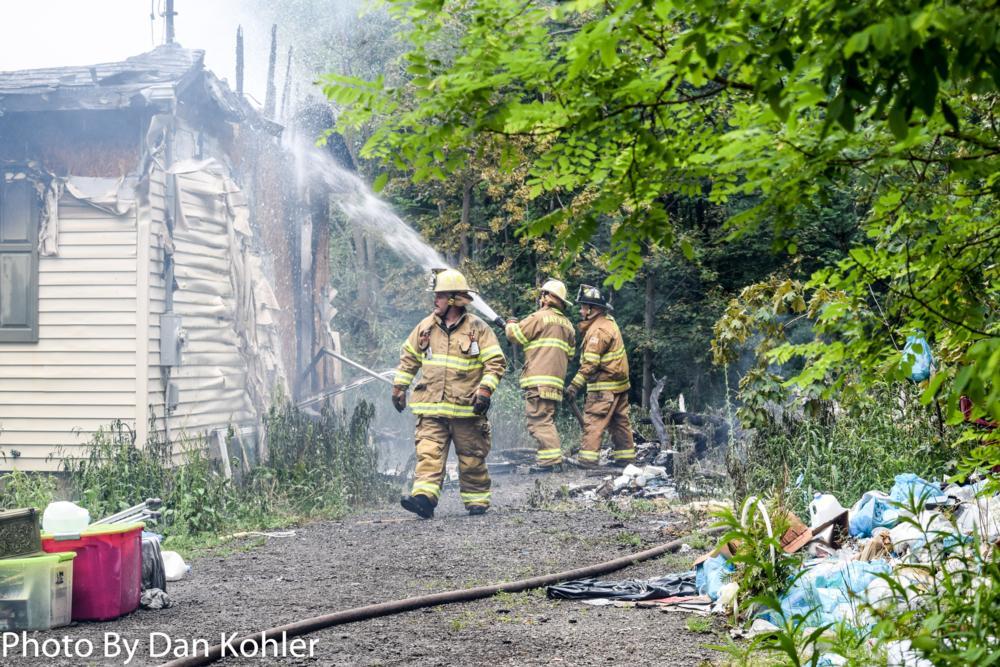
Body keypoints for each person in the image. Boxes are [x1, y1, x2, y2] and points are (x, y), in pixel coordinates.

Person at [392, 269, 506, 518]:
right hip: (431, 409)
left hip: (467, 410)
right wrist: (399, 387)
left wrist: (485, 390)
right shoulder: (425, 327)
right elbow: (409, 358)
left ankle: (477, 501)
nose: (435, 300)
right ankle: (424, 500)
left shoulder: (478, 329)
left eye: (440, 296)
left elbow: (495, 363)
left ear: (454, 299)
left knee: (471, 458)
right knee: (428, 455)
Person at [504, 279, 576, 472]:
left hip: (538, 381)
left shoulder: (539, 317)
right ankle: (549, 461)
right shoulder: (568, 326)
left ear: (546, 297)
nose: (540, 298)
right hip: (555, 384)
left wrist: (510, 323)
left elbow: (515, 335)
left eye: (542, 294)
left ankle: (551, 462)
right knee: (546, 420)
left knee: (539, 421)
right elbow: (570, 355)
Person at [564, 284, 634, 468]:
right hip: (619, 386)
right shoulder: (609, 323)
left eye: (583, 307)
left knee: (594, 421)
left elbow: (590, 363)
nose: (580, 311)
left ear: (592, 309)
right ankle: (625, 458)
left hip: (603, 388)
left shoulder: (598, 331)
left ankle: (588, 460)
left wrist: (574, 386)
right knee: (620, 423)